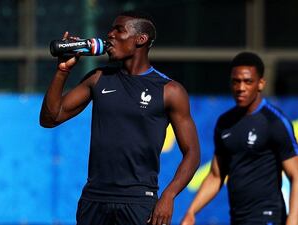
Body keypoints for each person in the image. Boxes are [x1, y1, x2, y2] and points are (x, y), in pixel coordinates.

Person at [39, 11, 200, 225]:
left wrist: (168, 196)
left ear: (140, 39)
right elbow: (50, 118)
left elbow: (193, 153)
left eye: (119, 30)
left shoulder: (169, 90)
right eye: (111, 29)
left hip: (138, 202)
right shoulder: (98, 78)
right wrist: (62, 71)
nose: (110, 35)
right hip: (94, 199)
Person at [180, 52, 298, 225]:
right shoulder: (225, 123)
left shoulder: (274, 122)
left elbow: (297, 177)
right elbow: (216, 176)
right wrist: (191, 212)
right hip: (238, 218)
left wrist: (293, 221)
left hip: (268, 217)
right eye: (236, 81)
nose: (241, 88)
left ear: (261, 83)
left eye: (248, 82)